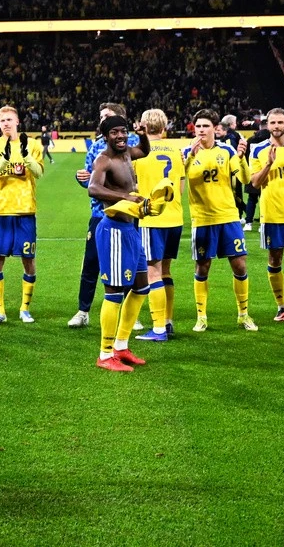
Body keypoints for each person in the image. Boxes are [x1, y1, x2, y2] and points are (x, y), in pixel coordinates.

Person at [87, 115, 159, 372]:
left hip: (130, 229)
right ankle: (105, 354)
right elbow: (93, 188)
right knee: (114, 292)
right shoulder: (103, 160)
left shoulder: (128, 152)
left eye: (123, 131)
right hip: (113, 230)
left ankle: (121, 346)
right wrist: (125, 197)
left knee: (141, 287)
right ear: (106, 136)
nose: (120, 136)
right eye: (115, 132)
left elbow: (144, 151)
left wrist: (143, 135)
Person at [183, 108, 256, 332]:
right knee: (203, 267)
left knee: (240, 264)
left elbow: (246, 179)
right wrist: (190, 157)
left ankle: (243, 314)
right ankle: (201, 317)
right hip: (202, 219)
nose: (201, 130)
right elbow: (183, 179)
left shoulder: (227, 150)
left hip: (228, 216)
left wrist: (241, 158)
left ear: (215, 129)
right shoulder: (187, 151)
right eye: (198, 126)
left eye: (205, 126)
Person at [68, 103, 140, 328]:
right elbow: (91, 182)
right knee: (91, 262)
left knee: (130, 263)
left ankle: (130, 313)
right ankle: (83, 311)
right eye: (101, 117)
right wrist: (82, 178)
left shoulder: (133, 144)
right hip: (100, 213)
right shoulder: (96, 147)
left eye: (107, 116)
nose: (102, 119)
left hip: (128, 214)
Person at [0, 106, 44, 325]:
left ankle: (25, 309)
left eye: (9, 119)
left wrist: (25, 155)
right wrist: (3, 161)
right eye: (2, 120)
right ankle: (0, 311)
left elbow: (38, 172)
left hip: (25, 210)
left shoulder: (32, 144)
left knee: (28, 260)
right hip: (1, 211)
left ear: (17, 121)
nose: (5, 123)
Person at [133, 109, 185, 342]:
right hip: (174, 218)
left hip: (151, 219)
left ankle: (158, 329)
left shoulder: (139, 152)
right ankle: (168, 321)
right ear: (164, 127)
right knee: (165, 271)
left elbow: (132, 187)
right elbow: (180, 189)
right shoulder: (176, 151)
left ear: (143, 127)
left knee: (152, 272)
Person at [249, 108, 284, 322]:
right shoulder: (258, 149)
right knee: (275, 258)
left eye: (280, 122)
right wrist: (268, 163)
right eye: (273, 122)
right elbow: (255, 183)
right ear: (267, 125)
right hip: (273, 214)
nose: (276, 126)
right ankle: (281, 306)